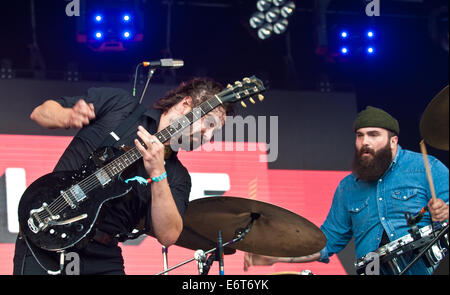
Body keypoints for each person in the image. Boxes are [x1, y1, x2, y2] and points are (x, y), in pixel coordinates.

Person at [13, 77, 233, 275]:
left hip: (102, 255)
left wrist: (158, 174)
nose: (209, 136)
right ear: (187, 105)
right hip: (48, 230)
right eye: (209, 125)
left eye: (215, 132)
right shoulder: (121, 106)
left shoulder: (177, 176)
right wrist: (67, 115)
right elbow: (40, 112)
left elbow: (168, 235)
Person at [244, 106, 449, 275]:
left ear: (393, 141)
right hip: (373, 270)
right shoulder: (347, 187)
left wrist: (446, 212)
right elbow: (325, 243)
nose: (365, 142)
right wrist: (274, 254)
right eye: (360, 136)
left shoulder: (426, 167)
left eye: (373, 135)